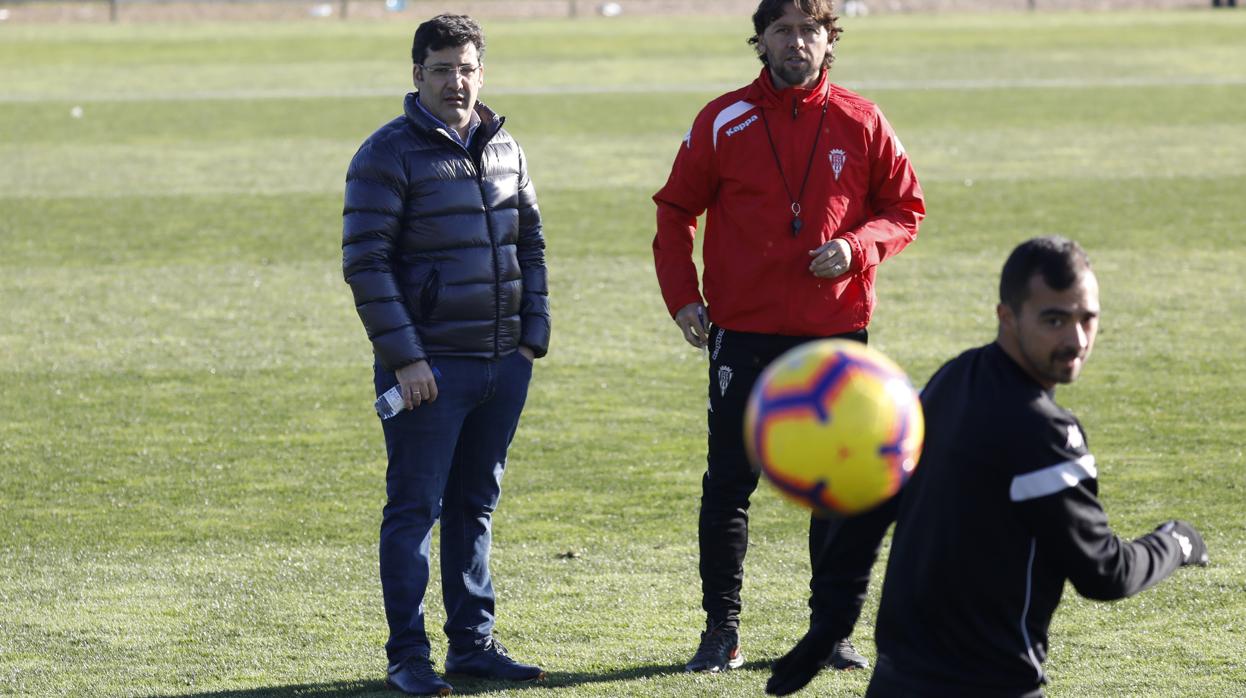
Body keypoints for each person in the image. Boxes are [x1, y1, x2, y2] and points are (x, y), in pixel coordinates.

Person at [766, 236, 1209, 696]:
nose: (1075, 340)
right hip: (990, 684)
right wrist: (1175, 542)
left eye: (1087, 319)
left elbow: (876, 501)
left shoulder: (952, 380)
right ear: (1007, 317)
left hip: (898, 681)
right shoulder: (1044, 434)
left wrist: (833, 621)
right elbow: (1104, 573)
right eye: (1054, 320)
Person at [651, 0, 924, 675]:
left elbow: (905, 209)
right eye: (783, 31)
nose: (797, 42)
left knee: (840, 486)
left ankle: (830, 633)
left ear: (830, 40)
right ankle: (722, 632)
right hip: (742, 335)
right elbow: (675, 210)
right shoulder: (723, 119)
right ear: (760, 42)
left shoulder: (862, 119)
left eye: (811, 30)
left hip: (835, 340)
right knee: (729, 484)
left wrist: (859, 248)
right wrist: (684, 299)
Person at [341, 13, 550, 697]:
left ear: (480, 73)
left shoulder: (505, 147)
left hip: (500, 365)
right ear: (417, 76)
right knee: (414, 510)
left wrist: (530, 338)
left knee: (476, 506)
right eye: (441, 70)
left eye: (465, 69)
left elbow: (532, 243)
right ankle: (408, 656)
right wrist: (405, 358)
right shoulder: (386, 155)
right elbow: (366, 264)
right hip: (428, 369)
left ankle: (473, 646)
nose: (455, 82)